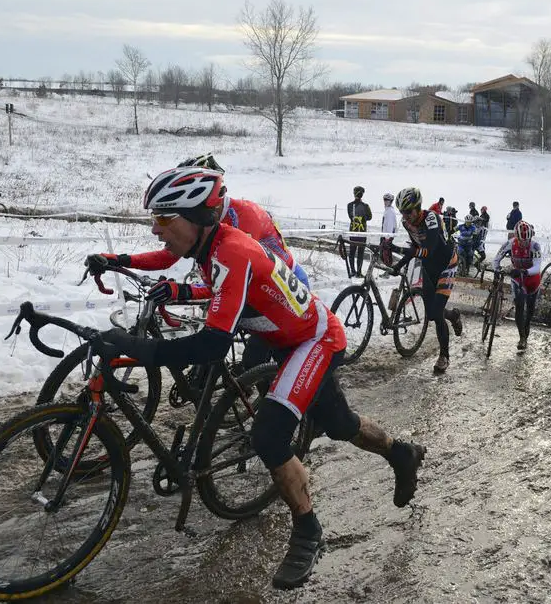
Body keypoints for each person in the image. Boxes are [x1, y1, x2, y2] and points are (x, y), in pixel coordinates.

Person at [95, 167, 427, 589]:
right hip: (278, 335)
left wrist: (140, 349)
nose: (156, 229)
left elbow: (213, 343)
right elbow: (201, 281)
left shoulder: (232, 249)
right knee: (340, 424)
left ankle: (308, 530)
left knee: (268, 435)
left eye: (164, 218)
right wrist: (131, 269)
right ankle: (401, 454)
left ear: (197, 217)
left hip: (313, 338)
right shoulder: (207, 247)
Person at [86, 162, 309, 288]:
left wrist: (182, 291)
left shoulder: (244, 216)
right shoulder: (203, 222)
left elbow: (235, 277)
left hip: (287, 286)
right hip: (255, 287)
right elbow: (167, 257)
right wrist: (118, 260)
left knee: (254, 360)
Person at [389, 187, 463, 373]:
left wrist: (399, 251)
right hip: (429, 267)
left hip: (447, 265)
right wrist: (398, 265)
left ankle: (444, 356)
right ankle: (453, 315)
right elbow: (416, 248)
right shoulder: (408, 224)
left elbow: (428, 248)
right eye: (402, 212)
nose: (405, 216)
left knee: (437, 314)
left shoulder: (432, 219)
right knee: (431, 314)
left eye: (408, 212)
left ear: (418, 207)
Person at [493, 220, 542, 351]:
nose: (524, 243)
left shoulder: (535, 246)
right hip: (518, 279)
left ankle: (526, 329)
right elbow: (496, 259)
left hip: (532, 279)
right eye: (522, 240)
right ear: (516, 237)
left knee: (530, 310)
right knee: (520, 306)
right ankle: (522, 338)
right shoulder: (510, 243)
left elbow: (537, 266)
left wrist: (525, 271)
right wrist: (497, 270)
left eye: (527, 240)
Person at [347, 186, 372, 277]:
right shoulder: (365, 206)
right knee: (360, 253)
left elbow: (350, 216)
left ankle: (352, 271)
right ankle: (358, 272)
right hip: (362, 233)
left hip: (353, 232)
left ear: (354, 194)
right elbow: (369, 217)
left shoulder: (349, 205)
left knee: (352, 253)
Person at [379, 192, 397, 266]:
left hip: (387, 236)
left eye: (387, 200)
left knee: (386, 254)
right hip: (385, 235)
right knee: (385, 254)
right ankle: (388, 270)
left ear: (391, 201)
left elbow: (390, 225)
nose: (385, 201)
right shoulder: (387, 210)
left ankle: (388, 271)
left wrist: (386, 238)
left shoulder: (390, 212)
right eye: (385, 199)